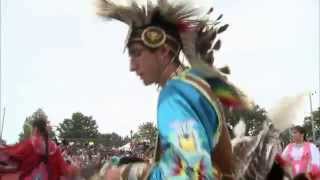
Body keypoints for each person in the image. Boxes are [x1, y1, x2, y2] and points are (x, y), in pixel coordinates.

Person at [95, 0, 251, 179]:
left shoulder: (176, 95)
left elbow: (190, 174)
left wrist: (126, 173)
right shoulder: (193, 87)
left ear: (164, 51)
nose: (132, 66)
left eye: (137, 53)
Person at [0, 117, 79, 180]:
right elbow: (65, 171)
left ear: (35, 129)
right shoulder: (55, 148)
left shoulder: (30, 143)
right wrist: (75, 168)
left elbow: (11, 155)